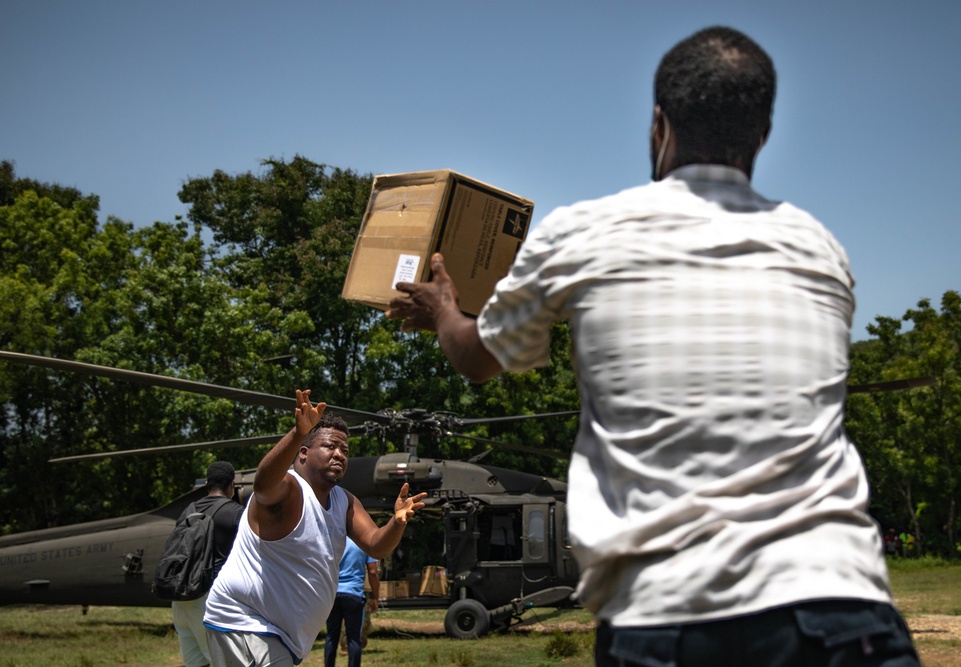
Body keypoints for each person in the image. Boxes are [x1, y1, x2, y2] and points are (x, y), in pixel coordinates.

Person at [387, 26, 921, 667]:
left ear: (658, 125)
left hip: (667, 617)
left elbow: (476, 358)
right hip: (841, 609)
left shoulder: (584, 234)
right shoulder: (819, 248)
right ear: (764, 132)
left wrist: (443, 307)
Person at [203, 389, 426, 666]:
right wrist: (297, 433)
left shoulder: (344, 502)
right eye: (330, 446)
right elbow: (262, 484)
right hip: (245, 621)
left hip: (277, 634)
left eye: (344, 450)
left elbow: (376, 544)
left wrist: (396, 522)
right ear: (304, 453)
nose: (339, 455)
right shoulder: (291, 488)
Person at [171, 460, 244, 667]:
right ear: (232, 485)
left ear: (206, 484)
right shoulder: (235, 513)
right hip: (208, 600)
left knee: (195, 663)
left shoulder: (189, 510)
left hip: (181, 600)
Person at [324, 536, 380, 667]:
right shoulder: (364, 543)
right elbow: (372, 572)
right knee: (354, 638)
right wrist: (375, 597)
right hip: (354, 594)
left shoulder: (332, 541)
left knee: (332, 636)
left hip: (333, 594)